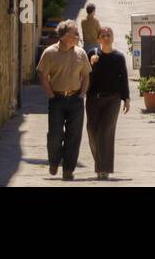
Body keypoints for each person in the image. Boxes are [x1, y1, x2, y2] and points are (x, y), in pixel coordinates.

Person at [36, 20, 91, 181]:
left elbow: (86, 75)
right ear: (66, 35)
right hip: (57, 99)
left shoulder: (81, 53)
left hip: (75, 99)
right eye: (76, 33)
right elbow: (42, 74)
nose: (78, 36)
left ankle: (68, 169)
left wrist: (82, 93)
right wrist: (50, 94)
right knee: (55, 135)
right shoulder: (50, 53)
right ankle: (54, 161)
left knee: (74, 136)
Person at [86, 27, 130, 180]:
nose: (106, 37)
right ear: (98, 39)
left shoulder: (118, 57)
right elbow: (83, 74)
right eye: (103, 35)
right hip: (93, 99)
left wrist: (127, 99)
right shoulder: (92, 54)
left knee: (105, 132)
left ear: (112, 37)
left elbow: (123, 78)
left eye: (108, 35)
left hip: (113, 99)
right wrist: (91, 64)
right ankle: (100, 163)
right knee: (92, 131)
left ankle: (103, 169)